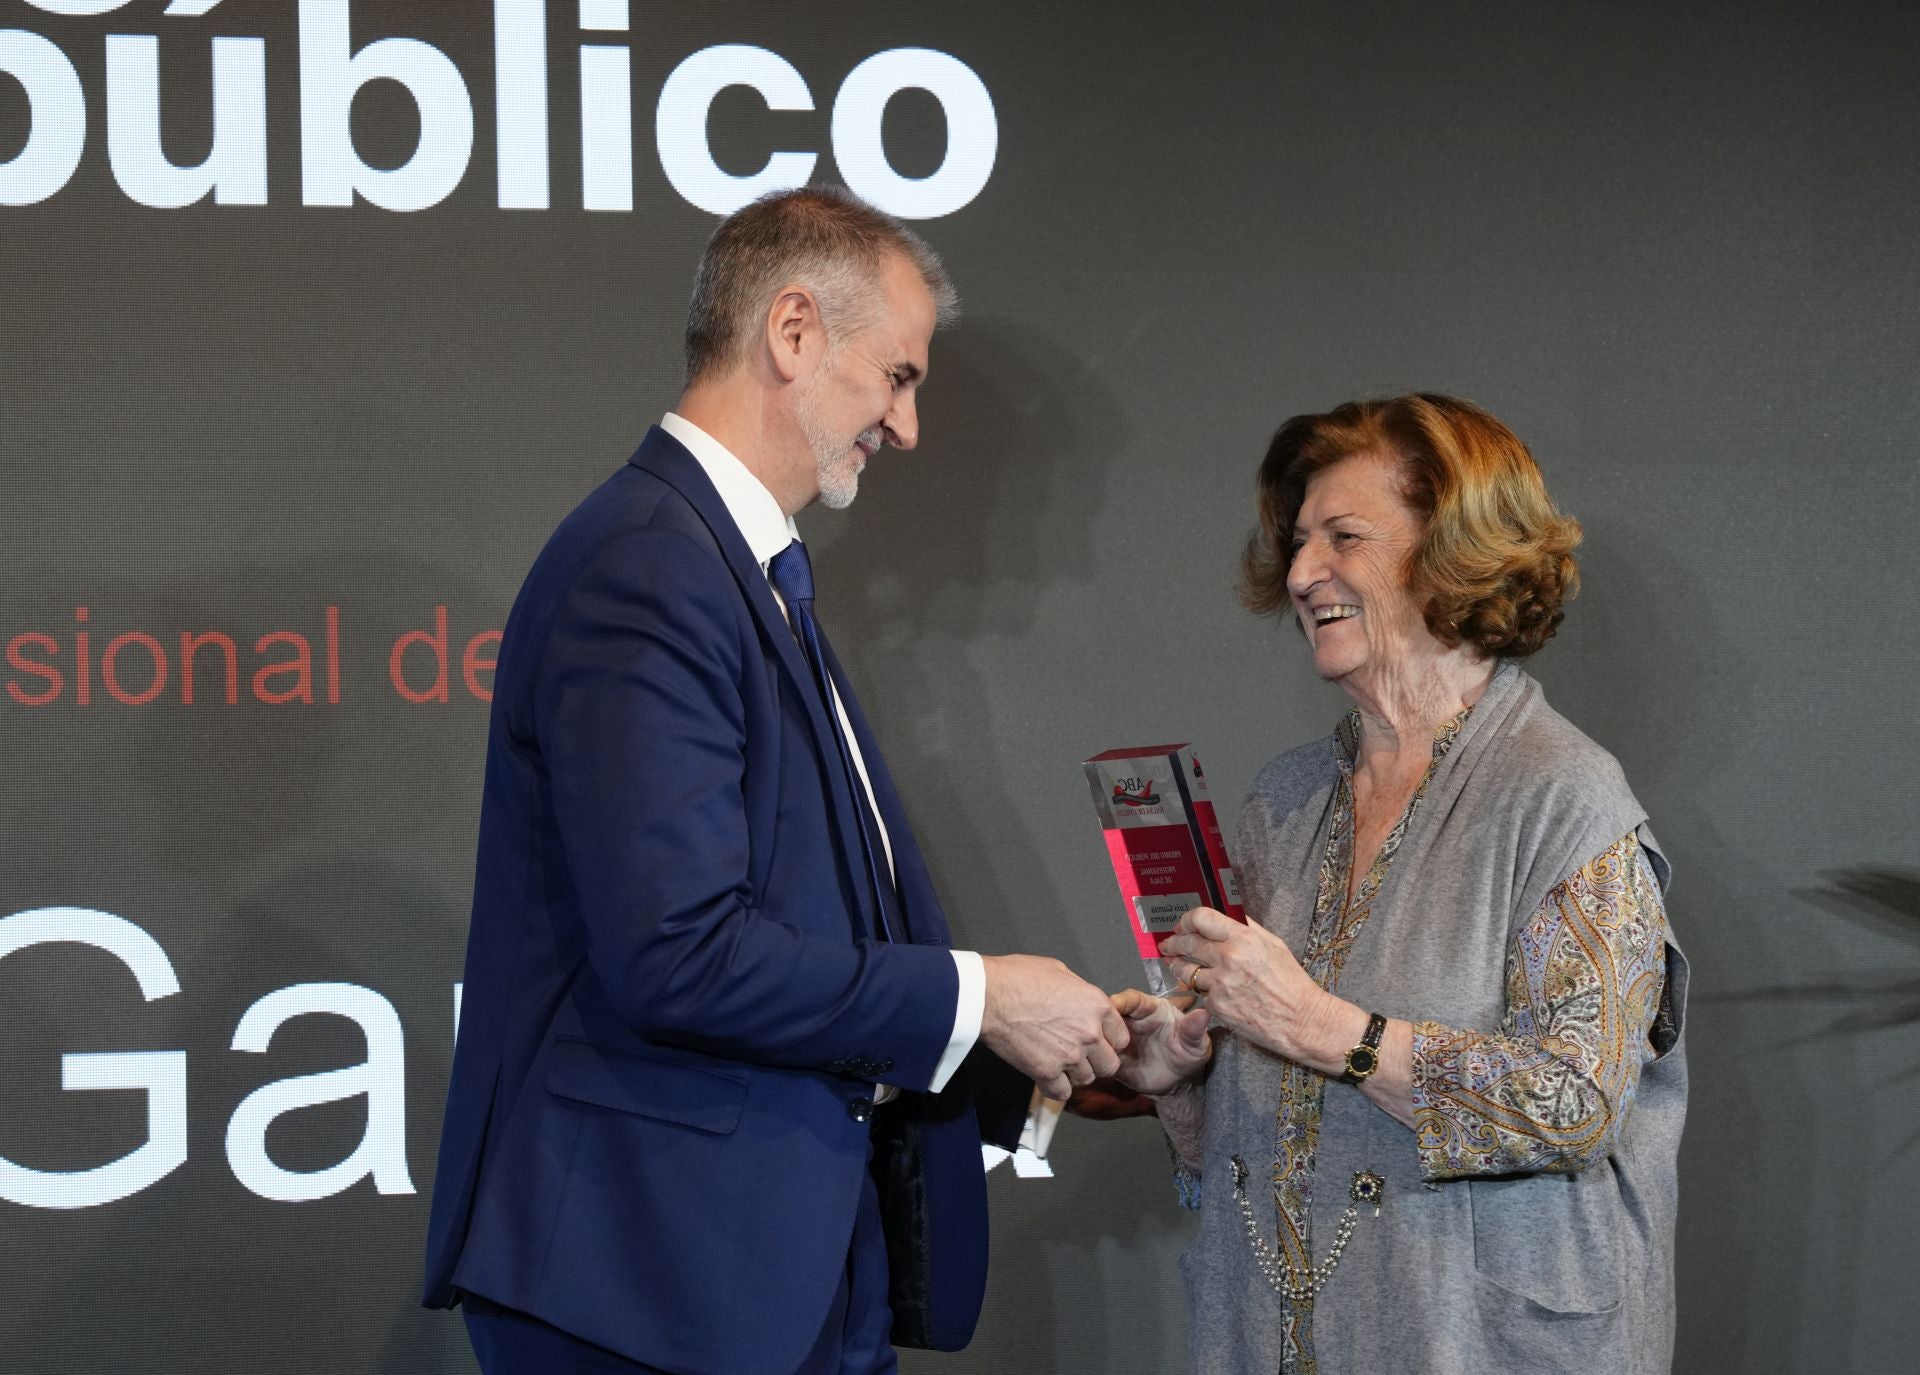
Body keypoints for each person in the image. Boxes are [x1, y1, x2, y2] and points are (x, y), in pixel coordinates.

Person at [421, 186, 1127, 1375]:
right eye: (897, 377)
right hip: (649, 1285)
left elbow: (811, 934)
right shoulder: (652, 567)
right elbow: (681, 953)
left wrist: (1058, 1051)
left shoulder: (732, 567)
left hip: (767, 1273)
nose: (906, 427)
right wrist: (986, 996)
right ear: (793, 332)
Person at [1112, 394, 1688, 1374]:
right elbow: (1248, 1154)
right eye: (1298, 542)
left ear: (1454, 550)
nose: (1300, 574)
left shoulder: (1564, 800)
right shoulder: (1286, 800)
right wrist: (1175, 1081)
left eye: (1344, 536)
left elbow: (1574, 1100)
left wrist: (1320, 1026)